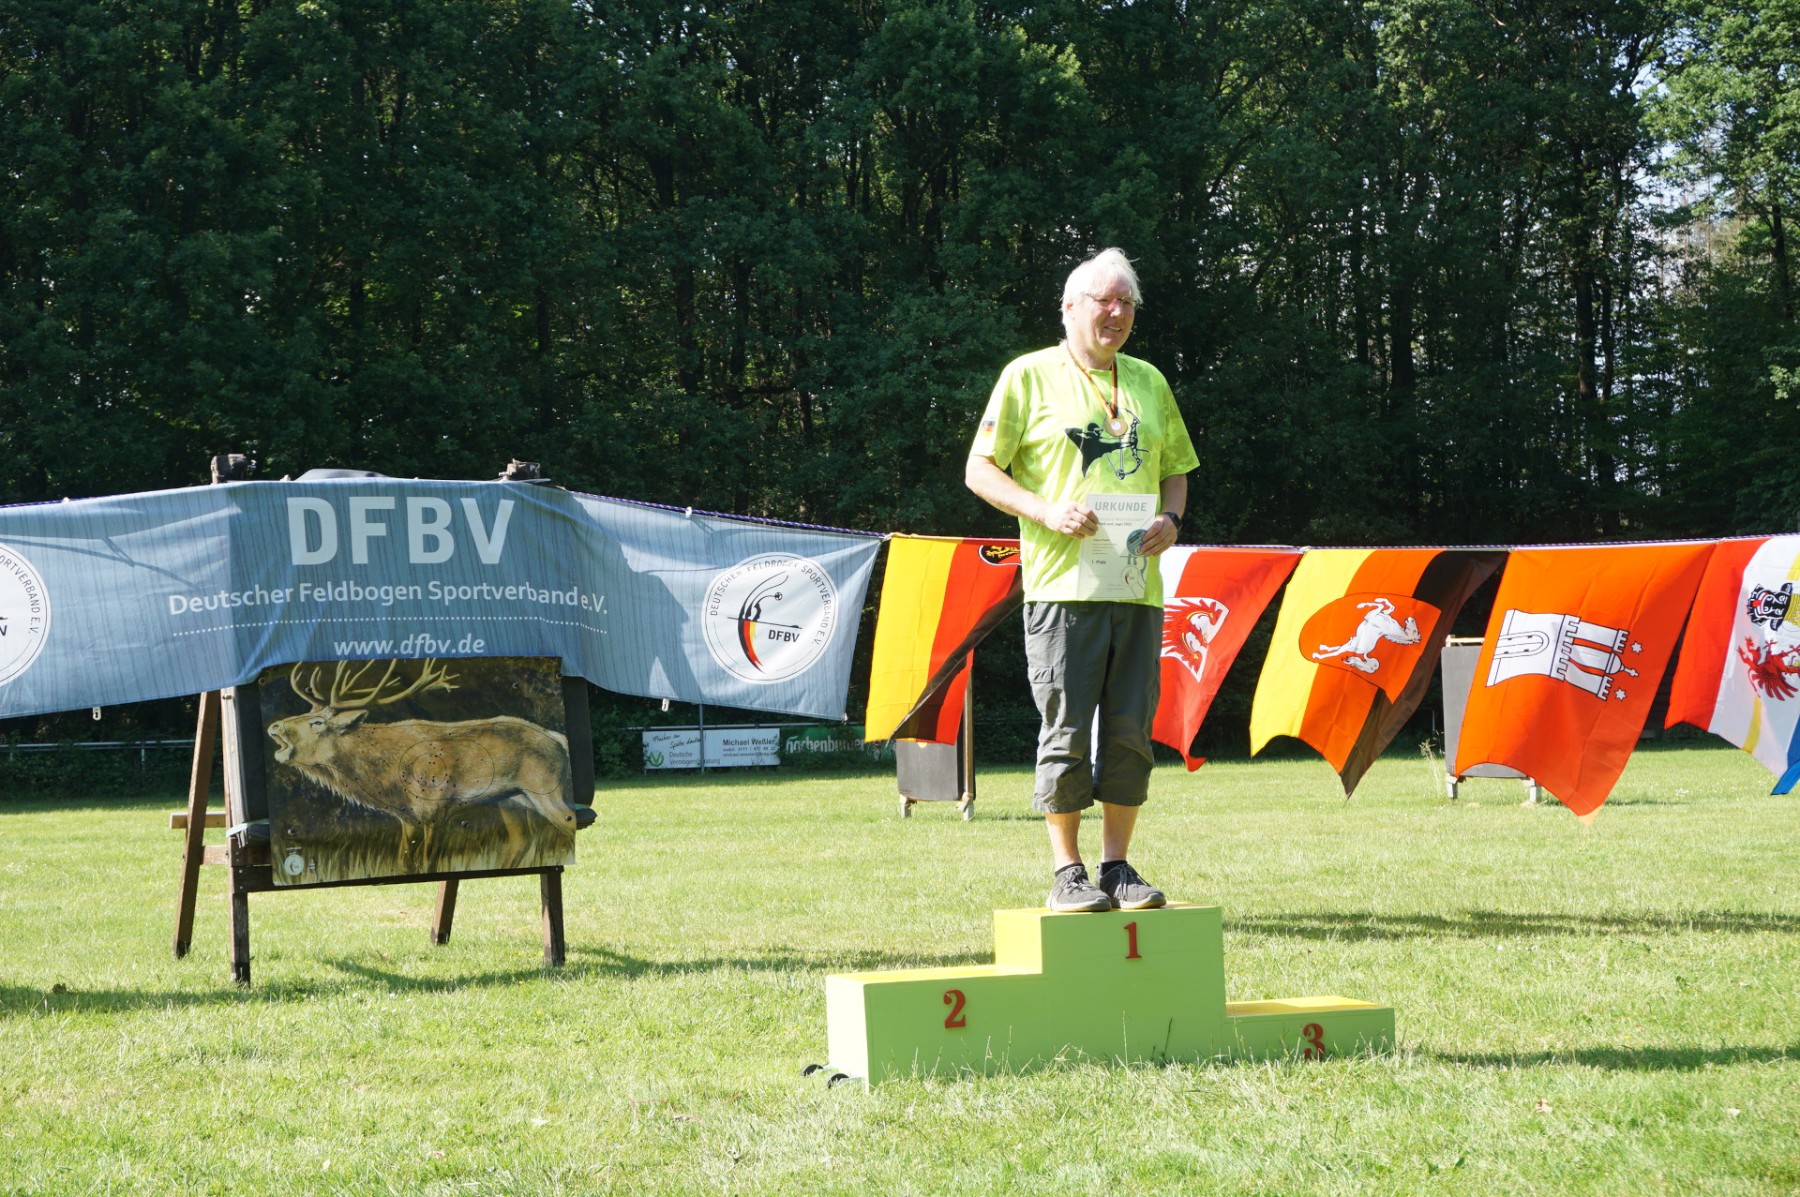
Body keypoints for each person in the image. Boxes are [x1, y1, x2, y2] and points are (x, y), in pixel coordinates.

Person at [965, 248, 1198, 913]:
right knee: (1065, 730)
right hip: (1062, 590)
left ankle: (1117, 867)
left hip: (1137, 589)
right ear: (1069, 307)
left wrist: (1172, 519)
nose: (1116, 312)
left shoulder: (1149, 380)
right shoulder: (1027, 375)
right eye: (1104, 300)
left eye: (1127, 302)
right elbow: (979, 470)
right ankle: (1067, 872)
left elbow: (1176, 468)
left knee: (1129, 732)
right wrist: (1045, 511)